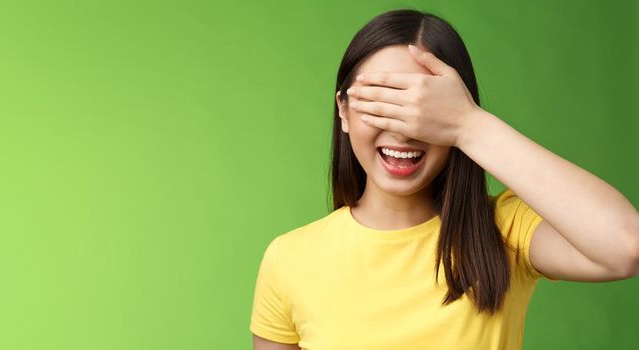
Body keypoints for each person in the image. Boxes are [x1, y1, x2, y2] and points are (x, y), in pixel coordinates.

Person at [249, 8, 639, 350]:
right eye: (384, 102)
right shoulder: (288, 260)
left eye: (424, 107)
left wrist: (469, 126)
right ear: (344, 110)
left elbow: (627, 245)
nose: (403, 131)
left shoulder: (505, 231)